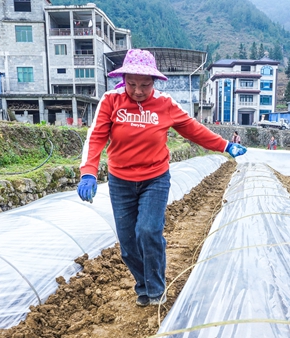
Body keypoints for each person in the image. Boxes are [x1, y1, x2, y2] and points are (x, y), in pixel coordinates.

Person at [77, 49, 247, 307]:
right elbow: (96, 136)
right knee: (128, 244)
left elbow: (193, 129)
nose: (138, 91)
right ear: (123, 80)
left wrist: (224, 145)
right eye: (132, 84)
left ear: (154, 82)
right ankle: (143, 284)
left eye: (145, 85)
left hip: (155, 178)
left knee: (148, 230)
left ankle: (156, 288)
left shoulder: (165, 104)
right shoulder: (111, 101)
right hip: (120, 181)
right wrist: (88, 172)